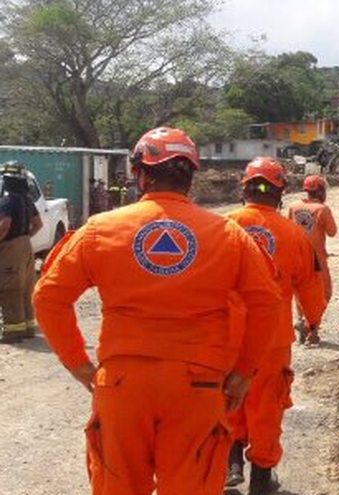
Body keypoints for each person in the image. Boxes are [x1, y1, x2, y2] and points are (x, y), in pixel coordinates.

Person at [32, 127, 282, 495]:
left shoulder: (101, 229)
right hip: (198, 388)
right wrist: (243, 372)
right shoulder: (227, 235)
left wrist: (78, 363)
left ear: (140, 173)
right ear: (191, 176)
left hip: (122, 385)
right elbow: (267, 304)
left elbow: (48, 297)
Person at [224, 157, 327, 494]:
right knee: (267, 406)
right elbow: (310, 287)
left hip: (227, 337)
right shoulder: (294, 236)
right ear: (280, 192)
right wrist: (312, 322)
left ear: (245, 189)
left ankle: (231, 463)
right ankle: (261, 480)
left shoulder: (222, 227)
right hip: (271, 341)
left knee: (228, 399)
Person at [288, 175, 337, 343]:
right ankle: (312, 328)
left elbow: (288, 228)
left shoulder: (294, 206)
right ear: (320, 190)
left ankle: (301, 320)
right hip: (316, 260)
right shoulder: (322, 209)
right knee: (324, 293)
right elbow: (332, 232)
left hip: (295, 258)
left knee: (300, 293)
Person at [0, 161, 43, 343]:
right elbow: (38, 224)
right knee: (25, 289)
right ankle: (28, 328)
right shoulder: (26, 199)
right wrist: (24, 237)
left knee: (10, 288)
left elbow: (4, 226)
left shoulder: (8, 199)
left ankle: (13, 331)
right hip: (26, 245)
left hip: (11, 247)